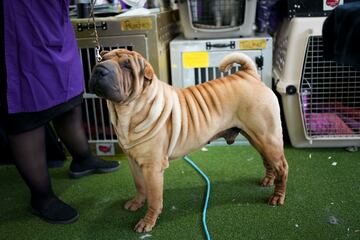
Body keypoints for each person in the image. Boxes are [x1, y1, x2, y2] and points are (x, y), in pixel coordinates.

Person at [0, 1, 120, 224]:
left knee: (69, 96)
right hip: (17, 21)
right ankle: (42, 198)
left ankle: (82, 159)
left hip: (52, 18)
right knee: (27, 110)